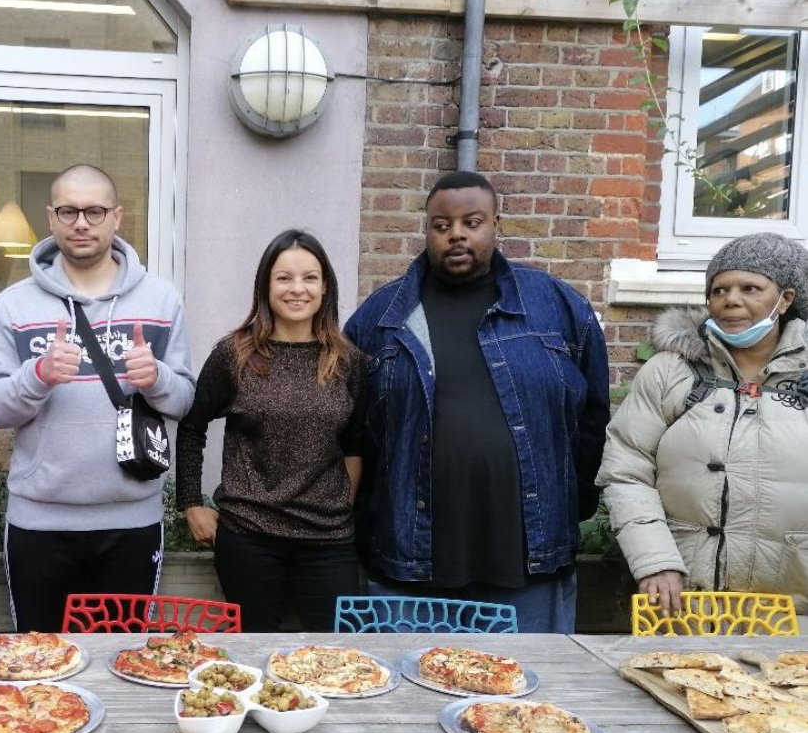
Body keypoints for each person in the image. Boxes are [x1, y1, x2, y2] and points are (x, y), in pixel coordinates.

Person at [343, 171, 610, 633]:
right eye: (441, 225)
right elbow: (349, 429)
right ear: (426, 230)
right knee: (406, 696)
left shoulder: (559, 308)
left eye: (472, 221)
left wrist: (571, 503)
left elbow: (592, 420)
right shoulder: (380, 318)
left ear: (495, 224)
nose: (456, 235)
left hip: (529, 562)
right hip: (411, 563)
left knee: (530, 698)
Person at [0, 164, 195, 632]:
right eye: (69, 211)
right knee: (39, 665)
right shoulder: (15, 304)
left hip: (131, 521)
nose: (82, 222)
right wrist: (37, 375)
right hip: (39, 523)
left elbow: (184, 402)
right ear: (50, 217)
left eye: (94, 211)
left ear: (116, 217)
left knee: (125, 658)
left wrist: (156, 378)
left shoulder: (160, 300)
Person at [598, 233, 808, 616]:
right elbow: (626, 470)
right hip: (682, 603)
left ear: (786, 299)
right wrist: (656, 561)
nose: (731, 299)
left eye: (751, 288)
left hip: (792, 609)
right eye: (719, 289)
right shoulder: (670, 372)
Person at [176, 229, 366, 630]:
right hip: (250, 536)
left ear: (325, 286)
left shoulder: (347, 361)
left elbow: (356, 441)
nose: (297, 289)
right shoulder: (235, 355)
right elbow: (193, 427)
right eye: (284, 278)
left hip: (328, 541)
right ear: (266, 285)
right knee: (252, 655)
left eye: (309, 278)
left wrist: (340, 503)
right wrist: (191, 502)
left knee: (333, 658)